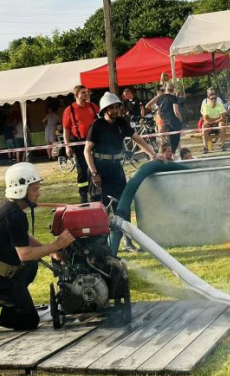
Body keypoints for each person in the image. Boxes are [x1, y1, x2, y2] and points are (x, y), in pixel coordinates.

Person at [0, 162, 76, 334]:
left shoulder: (9, 208)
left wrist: (52, 251)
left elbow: (22, 239)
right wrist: (57, 244)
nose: (39, 193)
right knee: (28, 320)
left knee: (32, 264)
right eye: (35, 189)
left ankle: (13, 301)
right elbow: (25, 254)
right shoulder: (14, 215)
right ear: (21, 190)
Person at [85, 92, 157, 253]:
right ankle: (101, 245)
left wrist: (152, 154)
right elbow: (87, 151)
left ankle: (127, 242)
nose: (117, 109)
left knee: (122, 205)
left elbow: (137, 138)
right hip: (100, 169)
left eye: (118, 106)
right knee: (101, 208)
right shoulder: (97, 125)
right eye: (114, 107)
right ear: (106, 109)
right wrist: (94, 173)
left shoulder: (121, 123)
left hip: (116, 168)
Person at [62, 85, 100, 203]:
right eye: (83, 93)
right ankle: (83, 196)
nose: (86, 94)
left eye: (86, 92)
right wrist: (67, 146)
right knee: (82, 170)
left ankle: (96, 193)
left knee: (95, 168)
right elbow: (66, 129)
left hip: (94, 142)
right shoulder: (70, 110)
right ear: (76, 95)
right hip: (79, 144)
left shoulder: (93, 107)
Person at [145, 83, 182, 153]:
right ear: (158, 91)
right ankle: (168, 153)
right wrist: (155, 110)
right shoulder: (159, 96)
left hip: (164, 118)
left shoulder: (160, 97)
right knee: (168, 138)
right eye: (161, 90)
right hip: (165, 119)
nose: (162, 91)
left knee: (167, 137)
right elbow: (147, 106)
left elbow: (156, 109)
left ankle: (171, 152)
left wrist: (156, 111)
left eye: (163, 90)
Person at [200, 87, 227, 153]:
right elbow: (205, 119)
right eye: (211, 98)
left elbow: (223, 118)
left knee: (222, 124)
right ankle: (205, 147)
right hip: (210, 123)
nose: (214, 99)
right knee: (204, 126)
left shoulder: (220, 103)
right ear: (208, 97)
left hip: (218, 123)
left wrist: (212, 120)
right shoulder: (205, 105)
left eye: (215, 97)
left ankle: (223, 145)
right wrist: (217, 119)